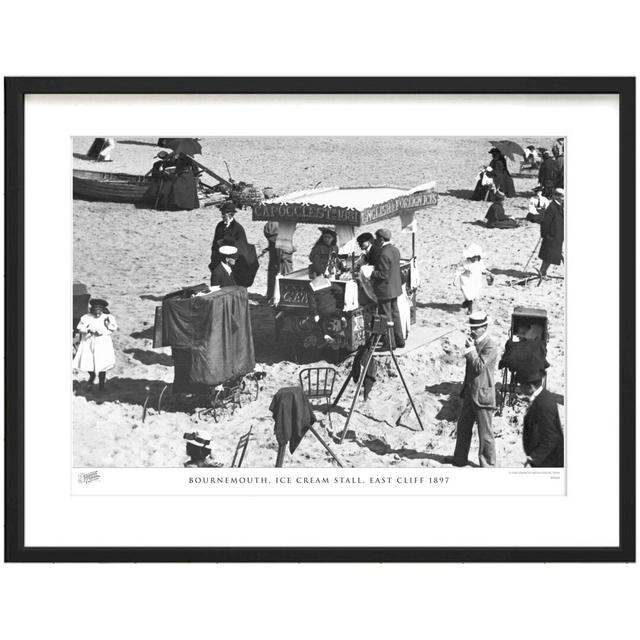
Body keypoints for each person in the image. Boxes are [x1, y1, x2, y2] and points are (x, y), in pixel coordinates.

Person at [449, 311, 499, 467]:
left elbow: (478, 367)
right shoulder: (475, 342)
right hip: (471, 393)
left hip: (483, 395)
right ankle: (459, 459)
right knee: (463, 427)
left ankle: (488, 465)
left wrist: (470, 350)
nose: (472, 330)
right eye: (471, 327)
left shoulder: (490, 346)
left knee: (485, 434)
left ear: (484, 328)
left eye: (476, 328)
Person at [518, 373, 564, 467]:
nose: (520, 387)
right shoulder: (540, 398)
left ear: (531, 386)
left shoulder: (544, 403)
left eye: (521, 385)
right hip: (543, 459)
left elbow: (552, 437)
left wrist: (534, 458)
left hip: (549, 461)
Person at [72, 298, 118, 392]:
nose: (97, 313)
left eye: (99, 310)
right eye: (95, 310)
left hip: (103, 342)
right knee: (88, 360)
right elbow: (80, 327)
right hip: (88, 342)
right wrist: (88, 330)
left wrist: (104, 330)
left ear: (102, 309)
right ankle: (92, 376)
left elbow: (113, 328)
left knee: (103, 363)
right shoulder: (86, 317)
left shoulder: (108, 317)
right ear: (92, 309)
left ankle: (101, 385)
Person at [370, 228, 405, 349]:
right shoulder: (395, 250)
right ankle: (399, 339)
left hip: (385, 289)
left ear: (380, 239)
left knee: (386, 316)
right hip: (395, 287)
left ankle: (390, 343)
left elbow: (382, 274)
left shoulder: (383, 253)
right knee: (395, 314)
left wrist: (371, 272)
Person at [209, 202, 248, 275]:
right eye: (222, 213)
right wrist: (213, 259)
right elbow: (214, 244)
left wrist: (233, 259)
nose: (222, 216)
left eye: (224, 213)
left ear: (231, 214)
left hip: (232, 260)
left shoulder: (238, 228)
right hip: (219, 259)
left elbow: (242, 247)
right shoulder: (219, 226)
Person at [455, 243, 494, 315]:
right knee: (467, 292)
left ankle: (469, 304)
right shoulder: (466, 263)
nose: (475, 258)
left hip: (476, 279)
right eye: (473, 257)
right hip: (467, 280)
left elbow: (482, 269)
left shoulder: (479, 263)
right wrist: (455, 279)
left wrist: (488, 273)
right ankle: (469, 303)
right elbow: (459, 271)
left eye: (476, 257)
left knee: (474, 293)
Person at [263, 221, 294, 304]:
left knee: (282, 275)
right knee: (273, 273)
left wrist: (282, 255)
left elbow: (286, 252)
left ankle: (282, 296)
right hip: (275, 257)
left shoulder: (282, 231)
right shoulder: (272, 225)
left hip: (283, 261)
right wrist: (270, 247)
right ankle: (272, 294)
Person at [538, 187, 564, 276]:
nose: (564, 199)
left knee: (554, 254)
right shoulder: (552, 207)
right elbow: (545, 223)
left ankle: (543, 272)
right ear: (557, 196)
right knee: (549, 256)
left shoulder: (560, 206)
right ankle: (542, 272)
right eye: (563, 197)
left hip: (558, 235)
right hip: (552, 236)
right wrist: (545, 235)